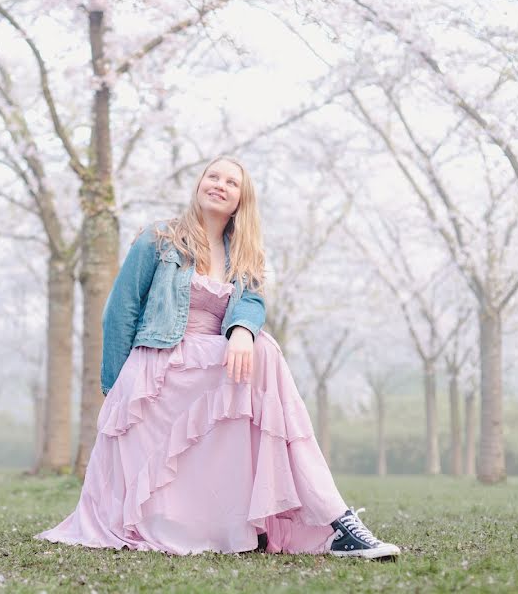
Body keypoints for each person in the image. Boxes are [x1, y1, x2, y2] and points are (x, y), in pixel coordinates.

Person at [36, 156, 400, 559]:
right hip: (161, 363)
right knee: (267, 354)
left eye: (232, 182)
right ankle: (332, 519)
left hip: (216, 362)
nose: (220, 185)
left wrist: (242, 330)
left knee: (262, 349)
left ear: (241, 199)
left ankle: (317, 515)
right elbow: (119, 312)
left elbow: (253, 301)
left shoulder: (244, 252)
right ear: (199, 184)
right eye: (213, 176)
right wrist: (119, 389)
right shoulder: (159, 239)